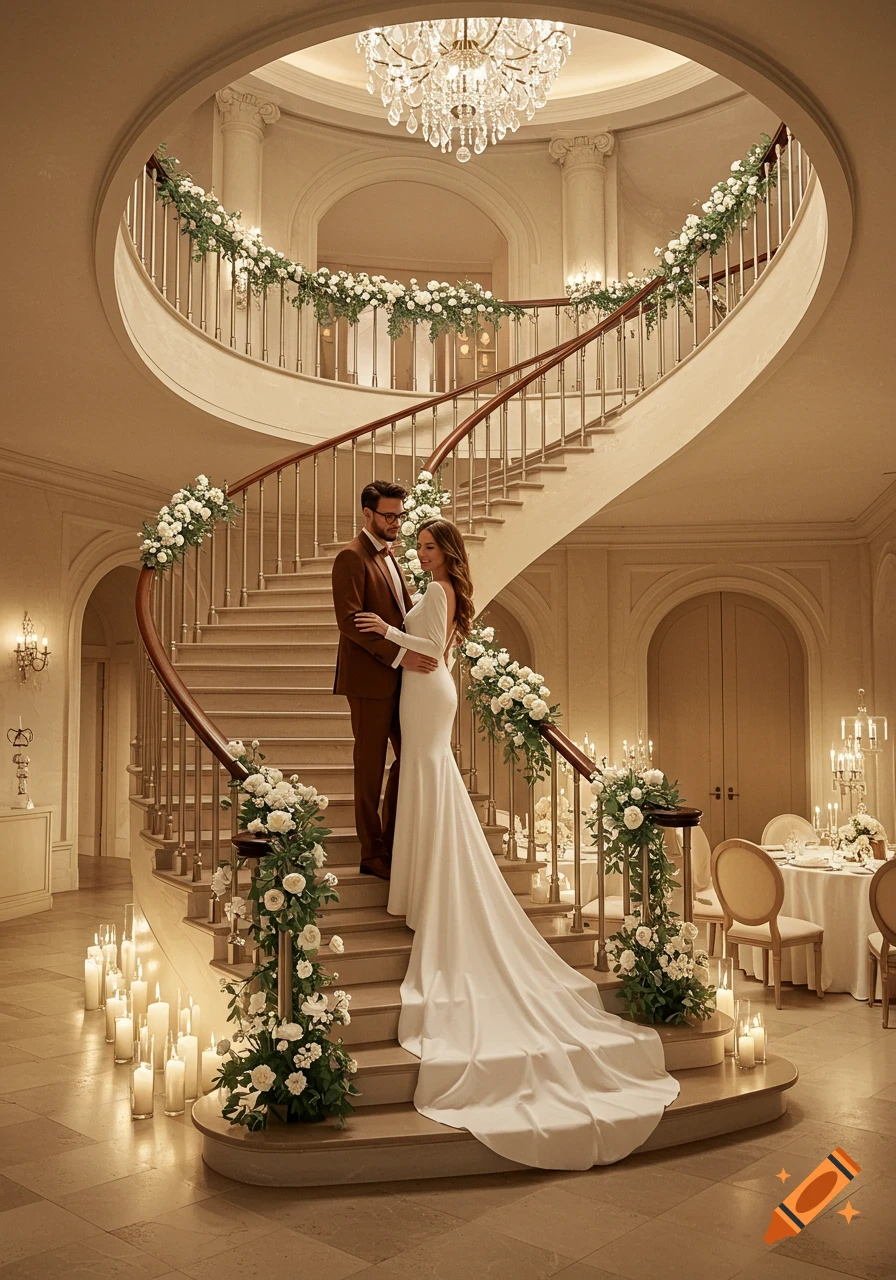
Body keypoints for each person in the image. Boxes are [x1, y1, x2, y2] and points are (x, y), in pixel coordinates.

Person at [355, 518, 680, 1171]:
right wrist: (398, 641)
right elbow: (427, 652)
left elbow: (427, 648)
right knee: (421, 778)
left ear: (447, 554)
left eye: (428, 547)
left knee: (425, 775)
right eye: (416, 546)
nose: (421, 555)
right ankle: (420, 887)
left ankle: (431, 888)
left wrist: (381, 630)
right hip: (424, 691)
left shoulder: (442, 591)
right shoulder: (439, 587)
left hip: (427, 691)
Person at [331, 480, 437, 880]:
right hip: (369, 681)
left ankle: (395, 841)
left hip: (401, 678)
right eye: (388, 515)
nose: (396, 523)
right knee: (370, 767)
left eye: (399, 515)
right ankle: (371, 852)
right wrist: (399, 654)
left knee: (411, 755)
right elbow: (349, 622)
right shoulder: (351, 557)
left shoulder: (390, 556)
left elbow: (404, 614)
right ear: (367, 514)